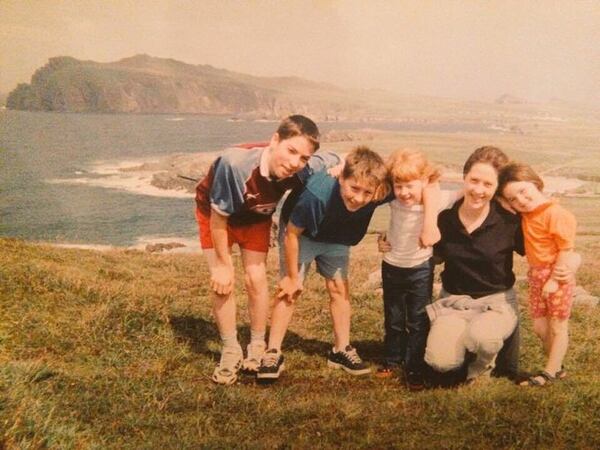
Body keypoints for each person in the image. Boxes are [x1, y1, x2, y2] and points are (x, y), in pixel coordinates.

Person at [257, 146, 440, 382]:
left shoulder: (380, 189)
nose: (359, 198)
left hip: (338, 237)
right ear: (341, 177)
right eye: (353, 188)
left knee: (339, 290)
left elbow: (429, 183)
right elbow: (291, 233)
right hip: (303, 235)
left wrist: (430, 224)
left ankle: (341, 349)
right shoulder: (317, 193)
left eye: (367, 193)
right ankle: (273, 352)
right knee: (290, 291)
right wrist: (291, 276)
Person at [195, 115, 340, 385]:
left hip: (256, 216)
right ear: (275, 140)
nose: (295, 163)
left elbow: (333, 159)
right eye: (291, 151)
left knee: (256, 279)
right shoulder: (235, 164)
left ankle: (257, 345)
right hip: (216, 216)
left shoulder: (303, 168)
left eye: (303, 158)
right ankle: (230, 348)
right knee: (222, 282)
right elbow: (219, 218)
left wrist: (340, 166)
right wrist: (223, 266)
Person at [424, 146, 525, 385]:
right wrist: (388, 241)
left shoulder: (508, 220)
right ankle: (466, 347)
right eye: (474, 180)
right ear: (464, 178)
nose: (479, 190)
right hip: (454, 303)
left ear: (497, 188)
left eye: (488, 185)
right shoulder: (445, 218)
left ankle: (483, 365)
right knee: (441, 362)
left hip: (496, 304)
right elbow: (431, 252)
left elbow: (541, 245)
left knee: (484, 338)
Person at [376, 149, 463, 391]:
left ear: (424, 182)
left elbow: (463, 192)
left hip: (420, 269)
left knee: (417, 319)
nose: (404, 192)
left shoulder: (434, 201)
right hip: (392, 265)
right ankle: (392, 360)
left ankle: (414, 366)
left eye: (410, 186)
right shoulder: (393, 199)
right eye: (398, 185)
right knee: (393, 317)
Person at [498, 162, 580, 386]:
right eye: (514, 199)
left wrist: (554, 280)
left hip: (557, 275)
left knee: (557, 325)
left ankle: (550, 372)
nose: (521, 200)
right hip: (536, 275)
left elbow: (566, 249)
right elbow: (503, 201)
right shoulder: (527, 214)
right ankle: (557, 365)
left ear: (535, 183)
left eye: (524, 191)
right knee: (540, 327)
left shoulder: (556, 213)